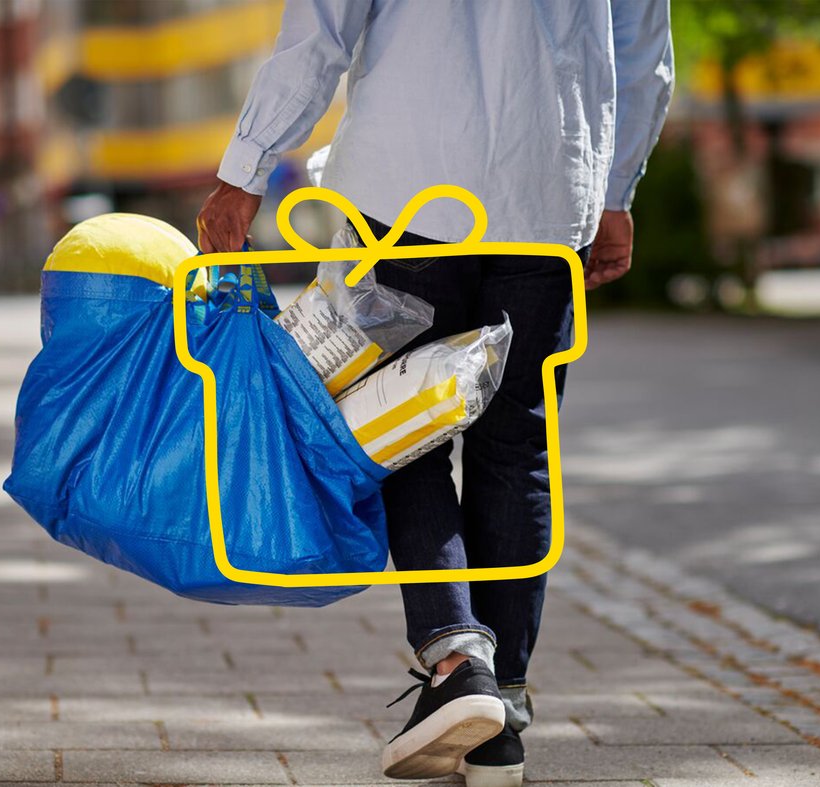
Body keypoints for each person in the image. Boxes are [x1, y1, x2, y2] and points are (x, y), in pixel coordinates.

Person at [198, 1, 673, 782]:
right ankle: (501, 712)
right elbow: (642, 43)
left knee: (398, 427)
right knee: (515, 444)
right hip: (547, 190)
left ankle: (457, 660)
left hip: (408, 184)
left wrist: (244, 170)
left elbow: (321, 27)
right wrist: (616, 188)